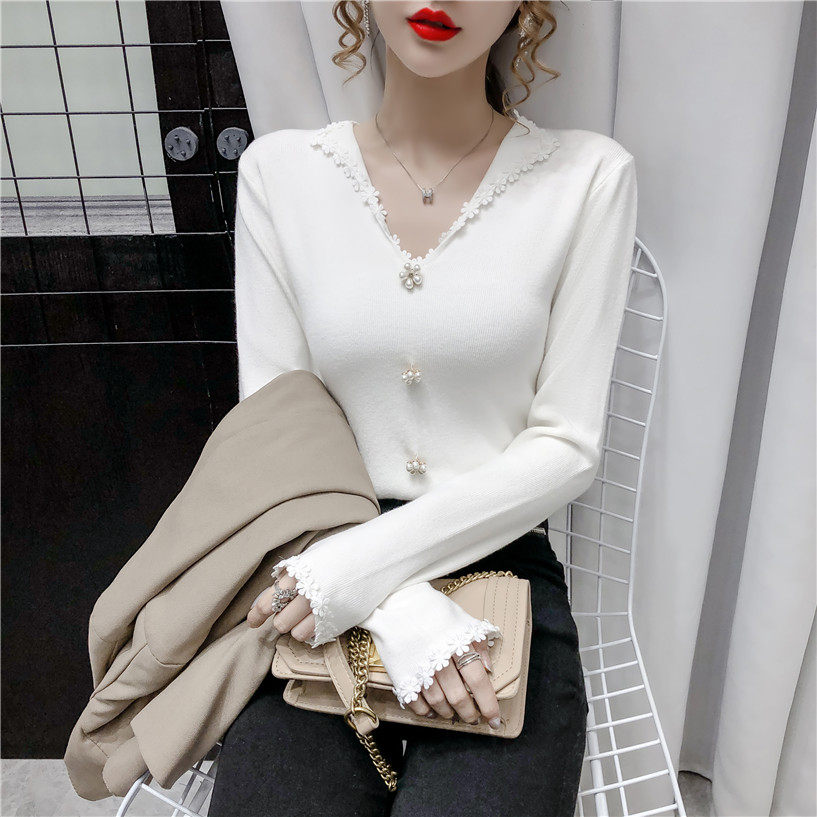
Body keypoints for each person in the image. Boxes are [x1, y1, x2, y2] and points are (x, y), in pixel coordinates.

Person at [209, 1, 638, 815]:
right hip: (317, 558)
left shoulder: (588, 177)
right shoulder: (280, 174)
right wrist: (394, 604)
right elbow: (275, 435)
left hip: (501, 566)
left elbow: (568, 443)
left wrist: (366, 570)